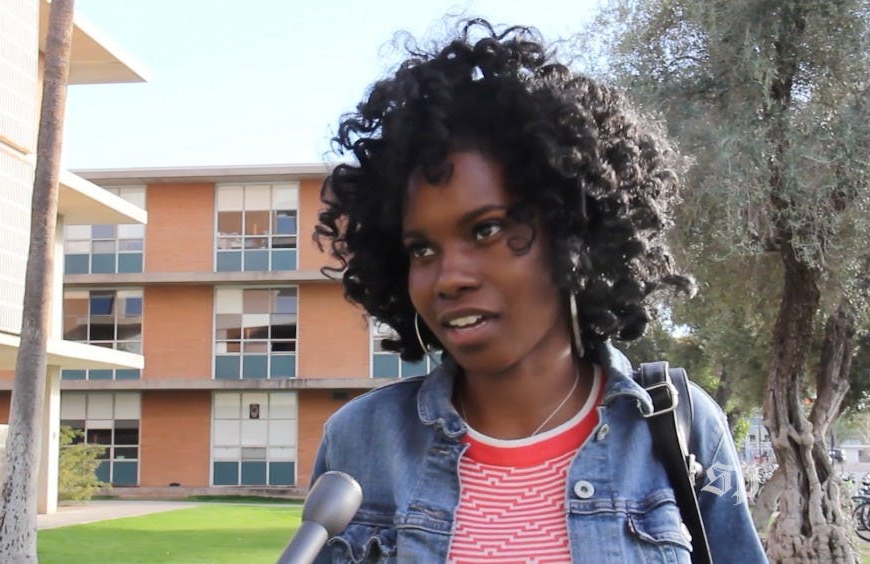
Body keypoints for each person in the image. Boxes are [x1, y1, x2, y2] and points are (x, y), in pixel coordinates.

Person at [311, 18, 765, 563]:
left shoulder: (678, 427)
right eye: (422, 249)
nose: (450, 276)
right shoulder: (360, 442)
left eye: (487, 230)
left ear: (570, 234)